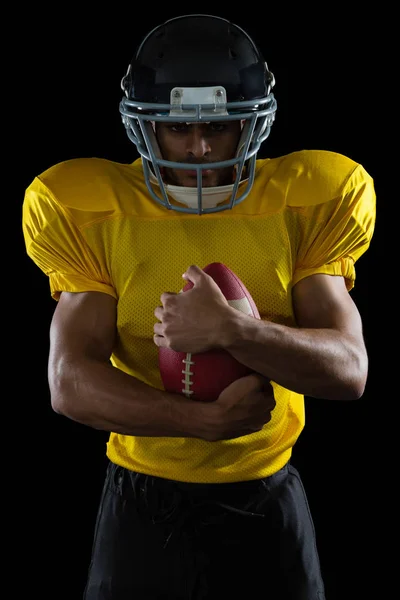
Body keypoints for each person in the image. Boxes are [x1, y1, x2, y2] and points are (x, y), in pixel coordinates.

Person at [22, 13, 376, 600]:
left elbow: (349, 370)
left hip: (266, 494)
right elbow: (68, 382)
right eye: (179, 129)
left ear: (252, 125)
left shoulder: (304, 201)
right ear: (145, 129)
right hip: (142, 498)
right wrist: (201, 423)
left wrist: (235, 332)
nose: (200, 147)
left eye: (218, 125)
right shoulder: (94, 209)